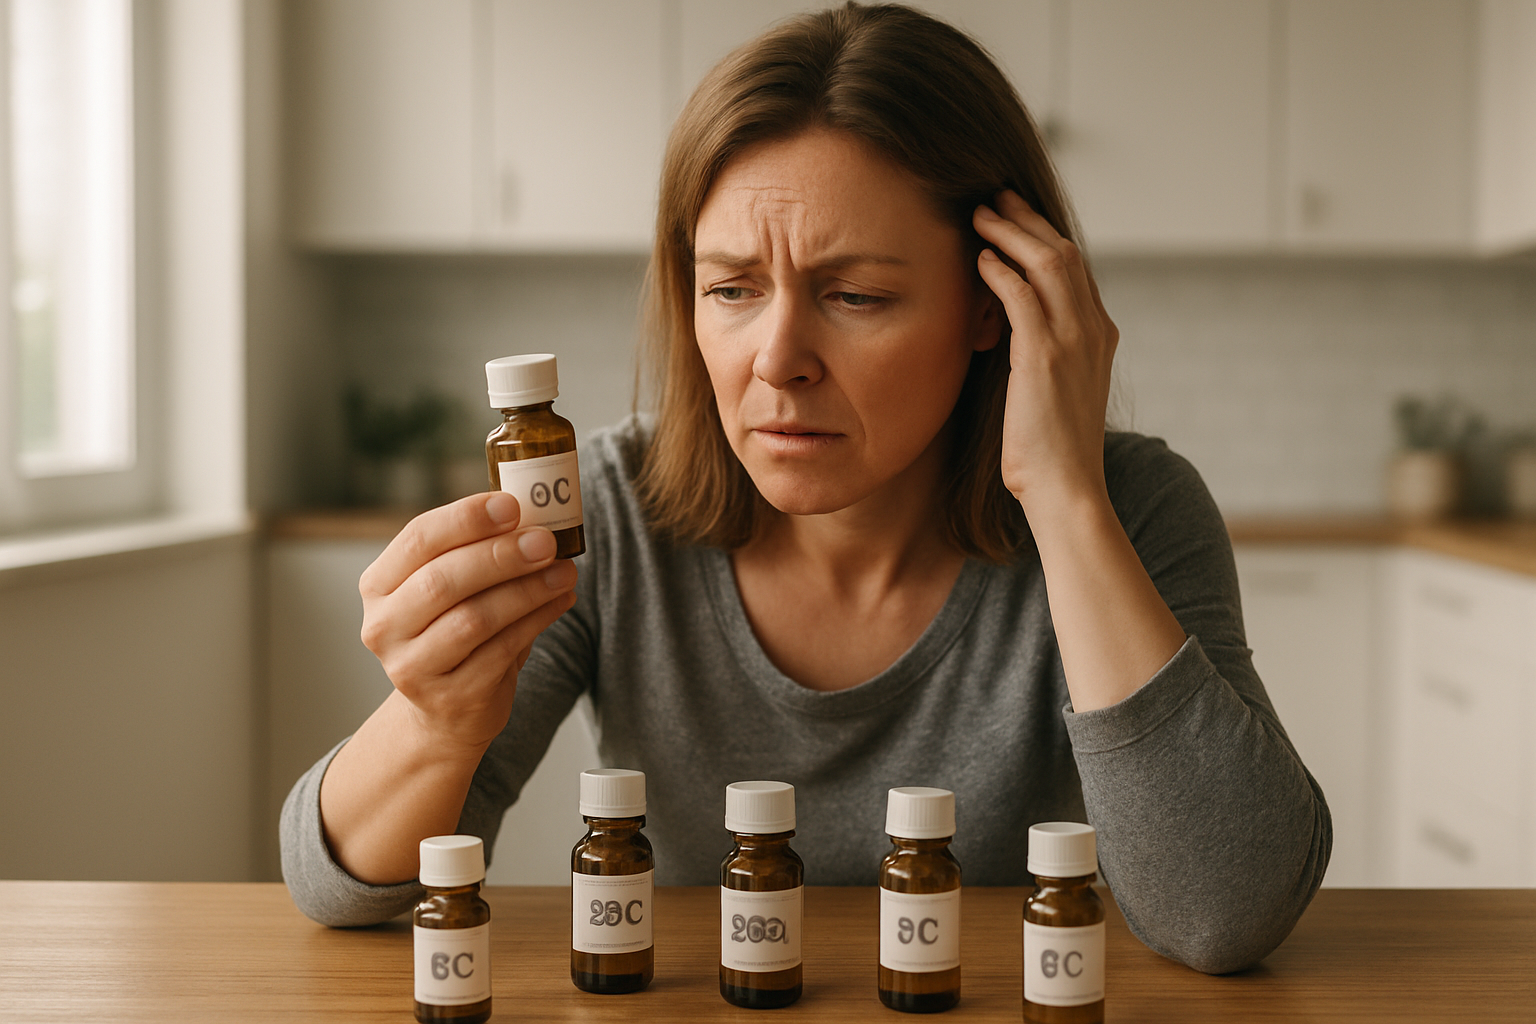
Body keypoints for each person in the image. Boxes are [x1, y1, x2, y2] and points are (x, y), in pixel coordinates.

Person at [281, 2, 1330, 974]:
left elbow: (1222, 910)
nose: (776, 358)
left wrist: (1063, 497)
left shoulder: (1129, 507)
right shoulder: (608, 511)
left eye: (857, 294)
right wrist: (432, 720)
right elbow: (335, 884)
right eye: (732, 288)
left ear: (992, 305)